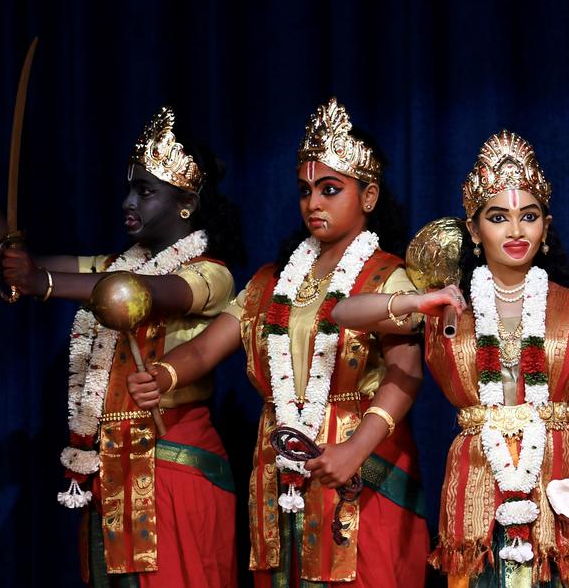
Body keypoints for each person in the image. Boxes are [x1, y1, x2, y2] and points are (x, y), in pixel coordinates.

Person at [0, 107, 245, 586]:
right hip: (110, 471)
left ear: (186, 201)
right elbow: (20, 263)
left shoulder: (212, 274)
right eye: (130, 187)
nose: (129, 201)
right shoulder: (113, 264)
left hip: (175, 468)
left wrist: (42, 280)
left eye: (145, 191)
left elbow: (142, 293)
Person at [330, 130, 569, 587]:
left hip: (559, 484)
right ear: (473, 229)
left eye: (528, 216)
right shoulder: (446, 309)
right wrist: (416, 302)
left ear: (545, 224)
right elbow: (342, 311)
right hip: (475, 485)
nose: (515, 230)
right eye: (498, 217)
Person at [127, 98, 429, 587]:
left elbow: (407, 373)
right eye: (306, 190)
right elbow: (206, 348)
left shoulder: (388, 277)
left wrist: (353, 449)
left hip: (362, 466)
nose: (314, 203)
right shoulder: (272, 282)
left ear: (368, 197)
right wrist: (165, 373)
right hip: (280, 466)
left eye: (331, 190)